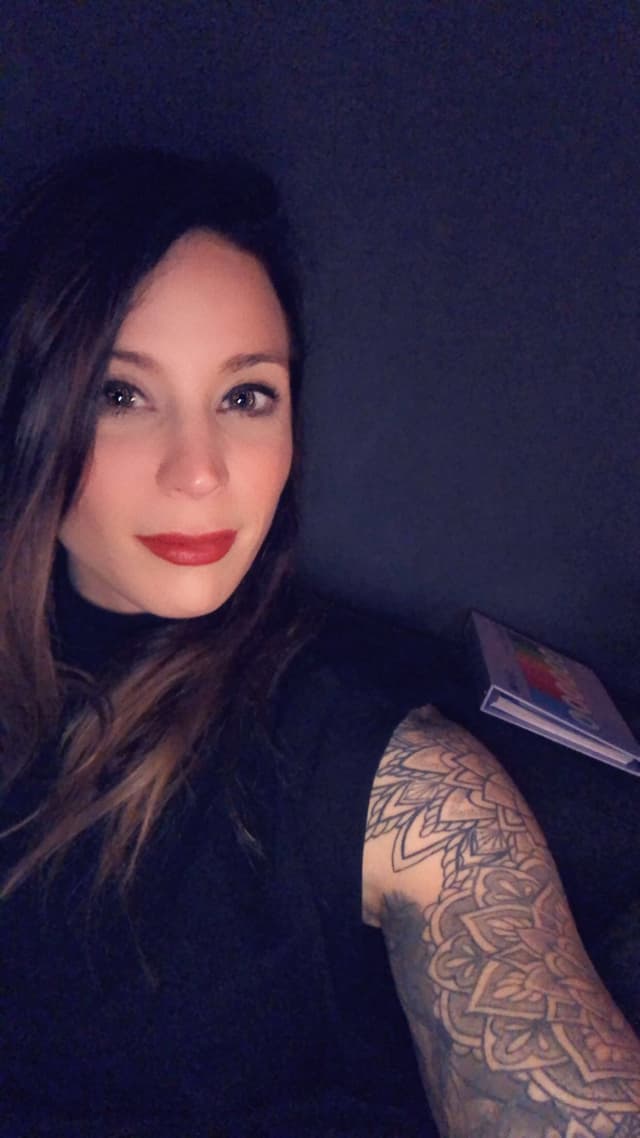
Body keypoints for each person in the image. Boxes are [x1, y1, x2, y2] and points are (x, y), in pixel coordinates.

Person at [0, 148, 638, 1138]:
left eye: (245, 395)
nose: (200, 470)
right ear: (30, 411)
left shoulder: (388, 771)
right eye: (120, 395)